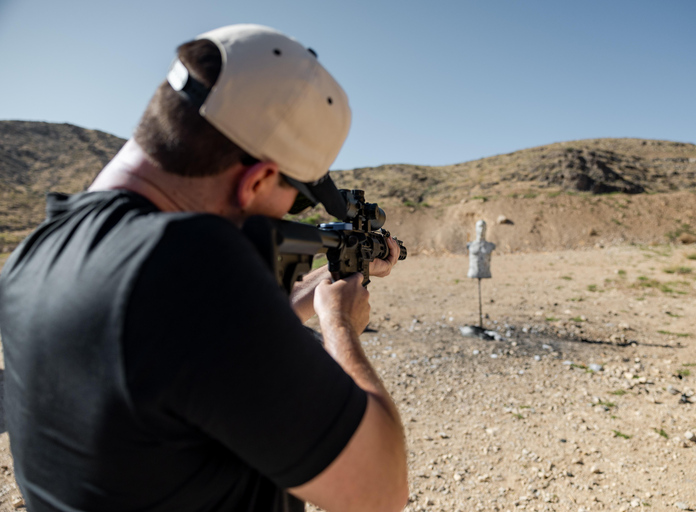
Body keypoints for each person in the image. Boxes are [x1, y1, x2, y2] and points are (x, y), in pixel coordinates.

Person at [0, 24, 408, 512]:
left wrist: (289, 306)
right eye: (296, 200)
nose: (286, 214)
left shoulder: (39, 249)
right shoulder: (188, 266)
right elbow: (379, 491)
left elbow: (176, 361)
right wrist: (340, 324)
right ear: (256, 181)